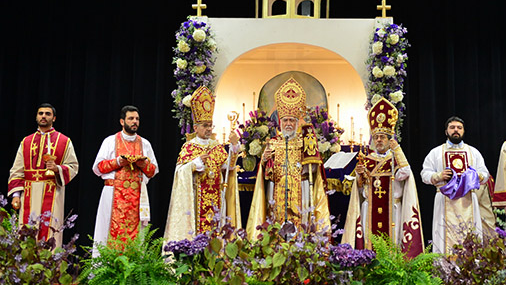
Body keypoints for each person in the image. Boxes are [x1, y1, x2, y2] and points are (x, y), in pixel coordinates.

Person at [246, 77, 331, 240]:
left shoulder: (305, 142)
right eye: (285, 120)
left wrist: (312, 164)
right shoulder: (272, 143)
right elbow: (266, 174)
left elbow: (315, 171)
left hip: (301, 189)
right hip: (277, 190)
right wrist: (264, 161)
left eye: (292, 120)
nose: (289, 124)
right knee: (276, 227)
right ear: (280, 122)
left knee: (300, 226)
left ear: (297, 122)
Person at [342, 97, 424, 257]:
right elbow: (360, 189)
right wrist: (360, 176)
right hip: (369, 210)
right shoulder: (366, 159)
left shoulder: (395, 159)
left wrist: (398, 150)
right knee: (369, 245)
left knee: (392, 247)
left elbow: (406, 173)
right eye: (376, 137)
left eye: (383, 137)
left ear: (389, 139)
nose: (379, 140)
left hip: (392, 210)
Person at [164, 86, 241, 243]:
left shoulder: (215, 145)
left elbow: (229, 168)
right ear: (196, 127)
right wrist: (195, 164)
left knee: (215, 233)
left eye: (210, 125)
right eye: (204, 126)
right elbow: (179, 172)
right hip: (196, 200)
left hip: (216, 198)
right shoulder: (189, 146)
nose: (208, 129)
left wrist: (234, 148)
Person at [8, 103, 79, 248]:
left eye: (47, 114)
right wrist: (16, 195)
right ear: (36, 117)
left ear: (54, 118)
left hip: (52, 191)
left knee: (50, 231)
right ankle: (25, 269)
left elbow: (73, 166)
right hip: (28, 192)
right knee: (26, 231)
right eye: (41, 113)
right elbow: (17, 170)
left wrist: (57, 168)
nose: (43, 116)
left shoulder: (64, 141)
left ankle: (50, 269)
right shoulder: (26, 142)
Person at [421, 116, 492, 254]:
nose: (456, 130)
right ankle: (444, 272)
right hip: (445, 199)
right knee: (444, 237)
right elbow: (424, 174)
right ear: (446, 131)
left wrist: (475, 176)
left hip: (468, 200)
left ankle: (472, 272)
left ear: (464, 131)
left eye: (459, 128)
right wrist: (438, 176)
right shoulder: (436, 153)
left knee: (470, 235)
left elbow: (485, 174)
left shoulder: (473, 152)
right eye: (452, 127)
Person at [92, 105, 158, 251]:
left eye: (137, 119)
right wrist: (118, 162)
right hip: (113, 193)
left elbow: (153, 171)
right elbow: (97, 168)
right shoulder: (110, 141)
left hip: (137, 196)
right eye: (131, 119)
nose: (135, 122)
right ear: (122, 121)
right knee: (107, 234)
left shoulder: (145, 144)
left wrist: (142, 164)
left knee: (136, 238)